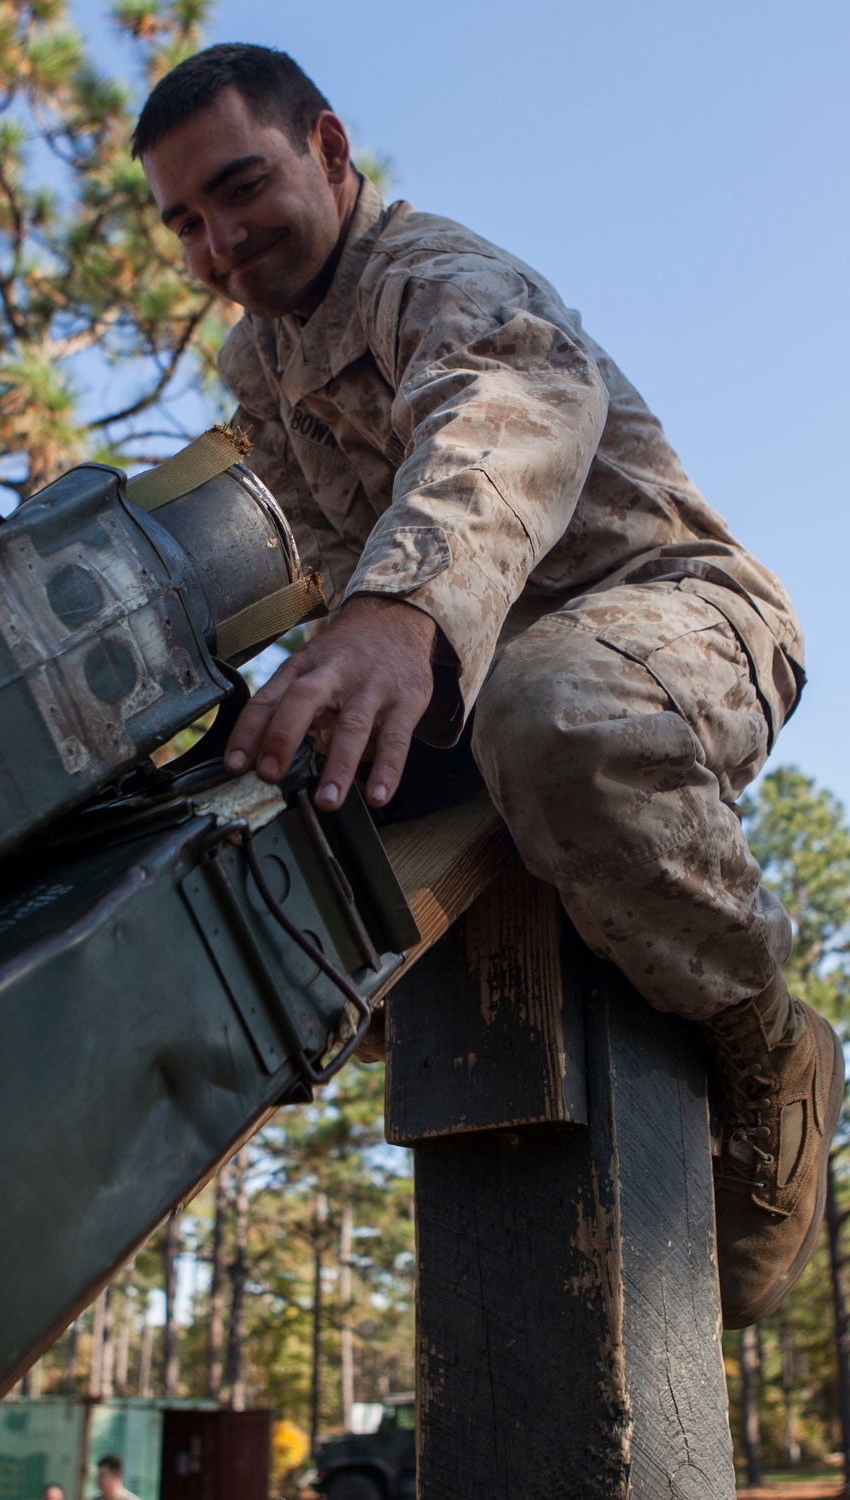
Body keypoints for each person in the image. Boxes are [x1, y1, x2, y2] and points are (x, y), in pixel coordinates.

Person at [134, 43, 843, 1331]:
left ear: (331, 151)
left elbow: (507, 413)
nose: (221, 241)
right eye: (187, 220)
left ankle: (768, 1041)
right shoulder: (261, 367)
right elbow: (316, 556)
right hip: (469, 667)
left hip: (670, 619)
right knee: (245, 791)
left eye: (242, 188)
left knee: (554, 718)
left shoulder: (438, 275)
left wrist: (398, 612)